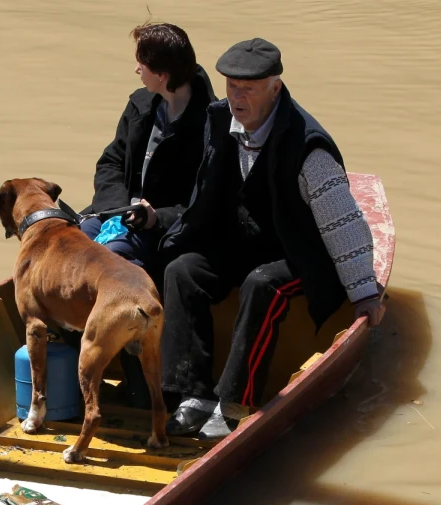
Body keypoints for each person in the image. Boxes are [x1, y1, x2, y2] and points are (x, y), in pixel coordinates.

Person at [158, 39, 385, 439]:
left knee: (263, 284)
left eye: (249, 88)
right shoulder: (219, 123)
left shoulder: (308, 145)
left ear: (275, 88)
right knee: (181, 270)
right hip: (241, 244)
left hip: (298, 252)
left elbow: (342, 221)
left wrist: (365, 294)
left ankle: (233, 403)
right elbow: (203, 197)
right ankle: (192, 395)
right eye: (231, 86)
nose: (237, 97)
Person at [80, 22, 216, 269]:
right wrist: (116, 207)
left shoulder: (210, 126)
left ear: (162, 75)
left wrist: (156, 218)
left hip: (163, 229)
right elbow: (112, 161)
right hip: (120, 211)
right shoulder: (140, 105)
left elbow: (205, 202)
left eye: (141, 64)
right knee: (64, 239)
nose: (136, 70)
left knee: (108, 258)